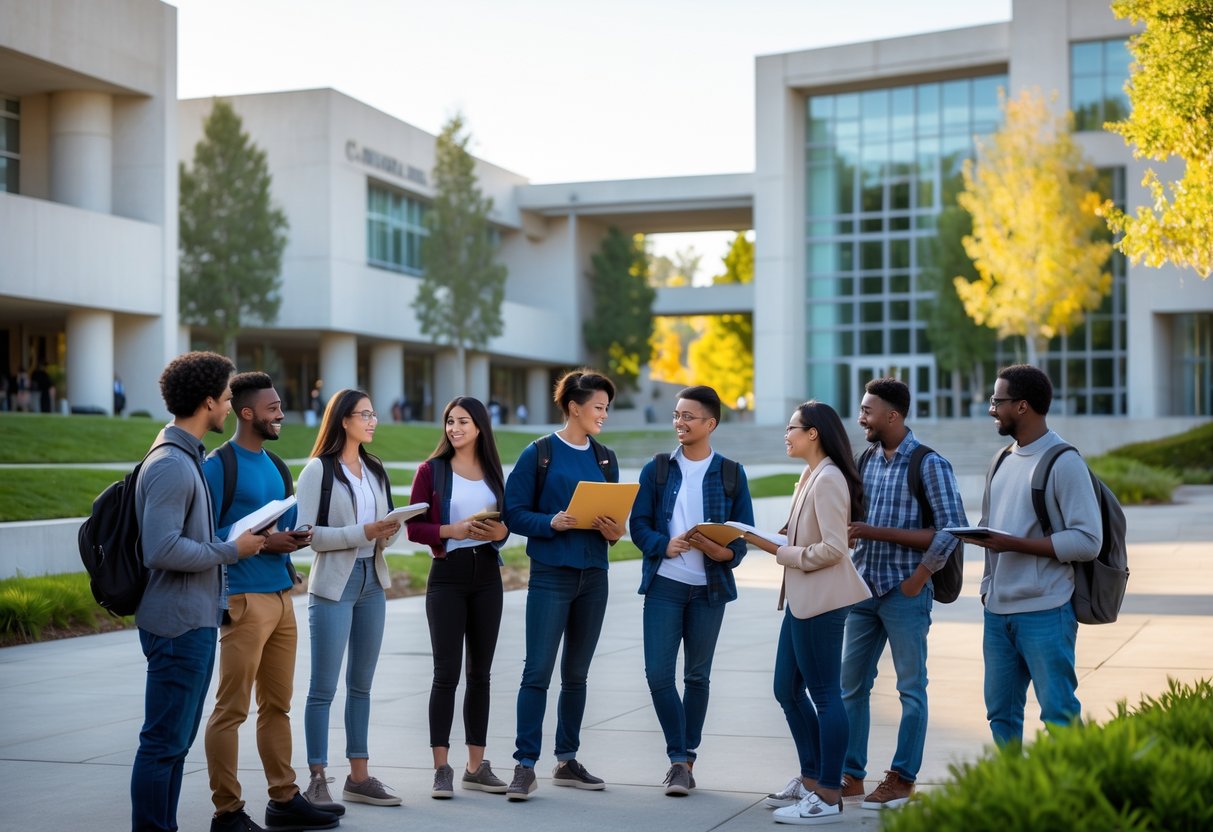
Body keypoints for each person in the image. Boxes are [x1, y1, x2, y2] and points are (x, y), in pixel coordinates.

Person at [131, 351, 267, 832]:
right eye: (228, 398)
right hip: (176, 623)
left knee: (174, 745)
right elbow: (161, 547)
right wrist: (232, 549)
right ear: (208, 401)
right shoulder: (170, 464)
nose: (230, 407)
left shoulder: (187, 458)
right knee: (162, 744)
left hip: (193, 619)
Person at [201, 372, 339, 832]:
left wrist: (291, 540)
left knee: (277, 706)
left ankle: (283, 799)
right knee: (231, 710)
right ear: (246, 412)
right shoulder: (219, 465)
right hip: (243, 599)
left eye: (280, 405)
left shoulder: (277, 466)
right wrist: (259, 541)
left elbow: (286, 521)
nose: (280, 412)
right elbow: (202, 537)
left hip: (281, 598)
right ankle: (227, 811)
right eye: (272, 407)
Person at [838, 378, 968, 810]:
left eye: (867, 412)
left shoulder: (929, 463)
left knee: (911, 689)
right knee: (851, 687)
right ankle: (851, 775)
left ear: (892, 416)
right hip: (863, 589)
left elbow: (951, 528)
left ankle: (902, 777)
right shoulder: (866, 459)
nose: (861, 419)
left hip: (905, 591)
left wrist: (919, 578)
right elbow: (856, 516)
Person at [959, 364, 1101, 746]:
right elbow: (991, 526)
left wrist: (1014, 543)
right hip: (998, 612)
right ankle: (1013, 797)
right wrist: (988, 588)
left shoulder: (1064, 461)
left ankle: (1074, 797)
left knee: (1058, 714)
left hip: (1046, 610)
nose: (991, 409)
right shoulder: (1001, 460)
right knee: (1000, 716)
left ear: (1022, 406)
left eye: (997, 401)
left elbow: (1089, 541)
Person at [502, 369, 624, 800]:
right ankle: (524, 765)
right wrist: (550, 522)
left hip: (595, 576)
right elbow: (512, 513)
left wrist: (614, 531)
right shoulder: (539, 454)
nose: (603, 415)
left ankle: (567, 759)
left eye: (606, 408)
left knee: (576, 674)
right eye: (598, 407)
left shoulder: (606, 457)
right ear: (574, 407)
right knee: (537, 671)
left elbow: (616, 525)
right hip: (551, 576)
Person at [748, 401, 871, 826]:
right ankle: (811, 776)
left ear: (814, 433)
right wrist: (777, 536)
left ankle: (830, 795)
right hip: (801, 600)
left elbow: (836, 548)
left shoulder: (829, 479)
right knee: (786, 689)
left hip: (822, 603)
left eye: (792, 428)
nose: (786, 435)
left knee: (824, 695)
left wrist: (780, 550)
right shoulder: (810, 475)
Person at [629, 385, 754, 796]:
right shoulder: (658, 469)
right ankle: (678, 758)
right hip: (665, 585)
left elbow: (742, 540)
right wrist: (661, 544)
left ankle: (685, 761)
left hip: (709, 591)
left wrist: (718, 550)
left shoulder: (732, 474)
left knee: (697, 677)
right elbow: (639, 524)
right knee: (658, 675)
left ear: (711, 423)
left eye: (689, 416)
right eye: (677, 415)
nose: (680, 422)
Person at [296, 389, 404, 810]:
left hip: (371, 582)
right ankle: (317, 778)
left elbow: (383, 527)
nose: (373, 421)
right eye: (365, 415)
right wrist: (364, 533)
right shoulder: (317, 472)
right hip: (333, 587)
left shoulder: (375, 469)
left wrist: (388, 532)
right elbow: (308, 537)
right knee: (322, 688)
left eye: (374, 414)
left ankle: (359, 777)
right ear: (343, 420)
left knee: (361, 686)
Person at [406, 397, 512, 799]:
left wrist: (500, 533)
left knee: (480, 674)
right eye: (450, 422)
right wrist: (453, 530)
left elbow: (508, 523)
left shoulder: (494, 473)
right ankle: (441, 769)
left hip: (487, 575)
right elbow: (415, 530)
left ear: (480, 427)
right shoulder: (431, 471)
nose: (454, 428)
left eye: (463, 422)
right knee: (445, 674)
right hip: (447, 578)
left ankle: (476, 766)